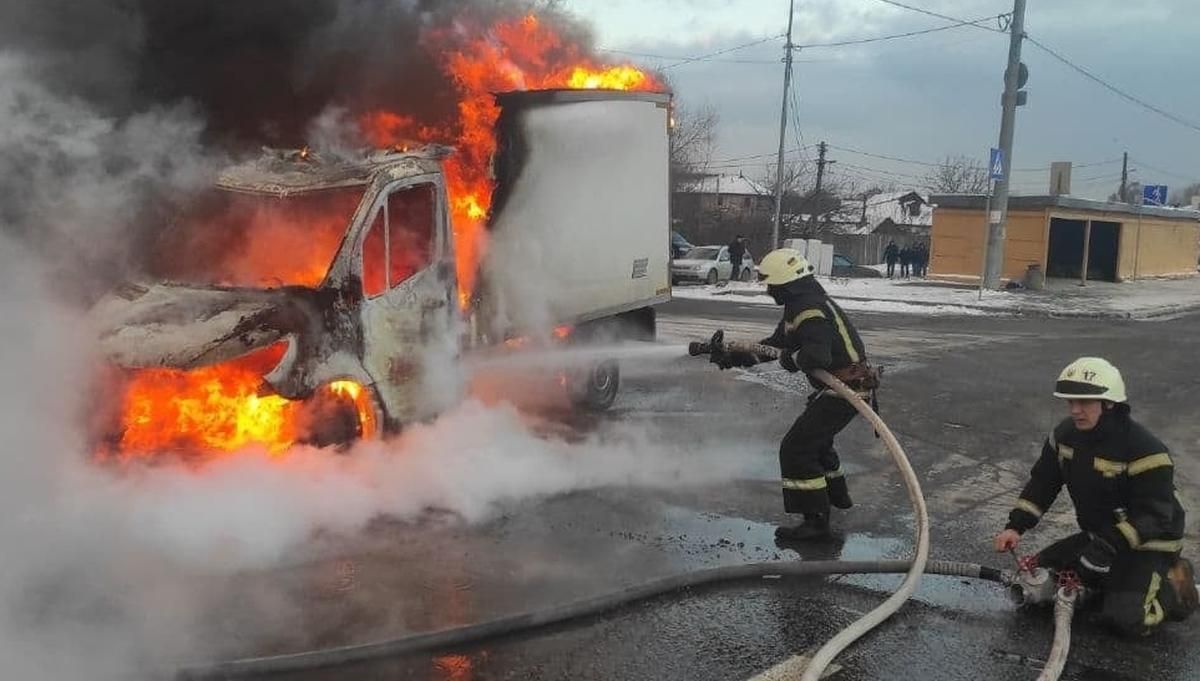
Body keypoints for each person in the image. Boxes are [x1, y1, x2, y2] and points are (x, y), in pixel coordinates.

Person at [994, 357, 1197, 636]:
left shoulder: (1145, 450)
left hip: (1150, 544)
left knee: (1124, 620)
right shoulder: (1064, 436)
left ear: (1109, 403)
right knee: (1037, 580)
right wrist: (1015, 526)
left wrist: (1104, 551)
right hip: (1100, 535)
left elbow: (1155, 516)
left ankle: (1174, 586)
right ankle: (1111, 582)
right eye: (1070, 402)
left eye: (1084, 403)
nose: (1075, 411)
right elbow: (1043, 482)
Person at [709, 248, 878, 541]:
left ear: (786, 284)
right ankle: (835, 500)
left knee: (796, 448)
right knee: (816, 445)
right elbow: (775, 346)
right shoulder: (799, 306)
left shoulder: (809, 310)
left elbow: (817, 356)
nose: (768, 290)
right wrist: (733, 357)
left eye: (771, 285)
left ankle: (815, 522)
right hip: (839, 388)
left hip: (846, 390)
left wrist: (791, 359)